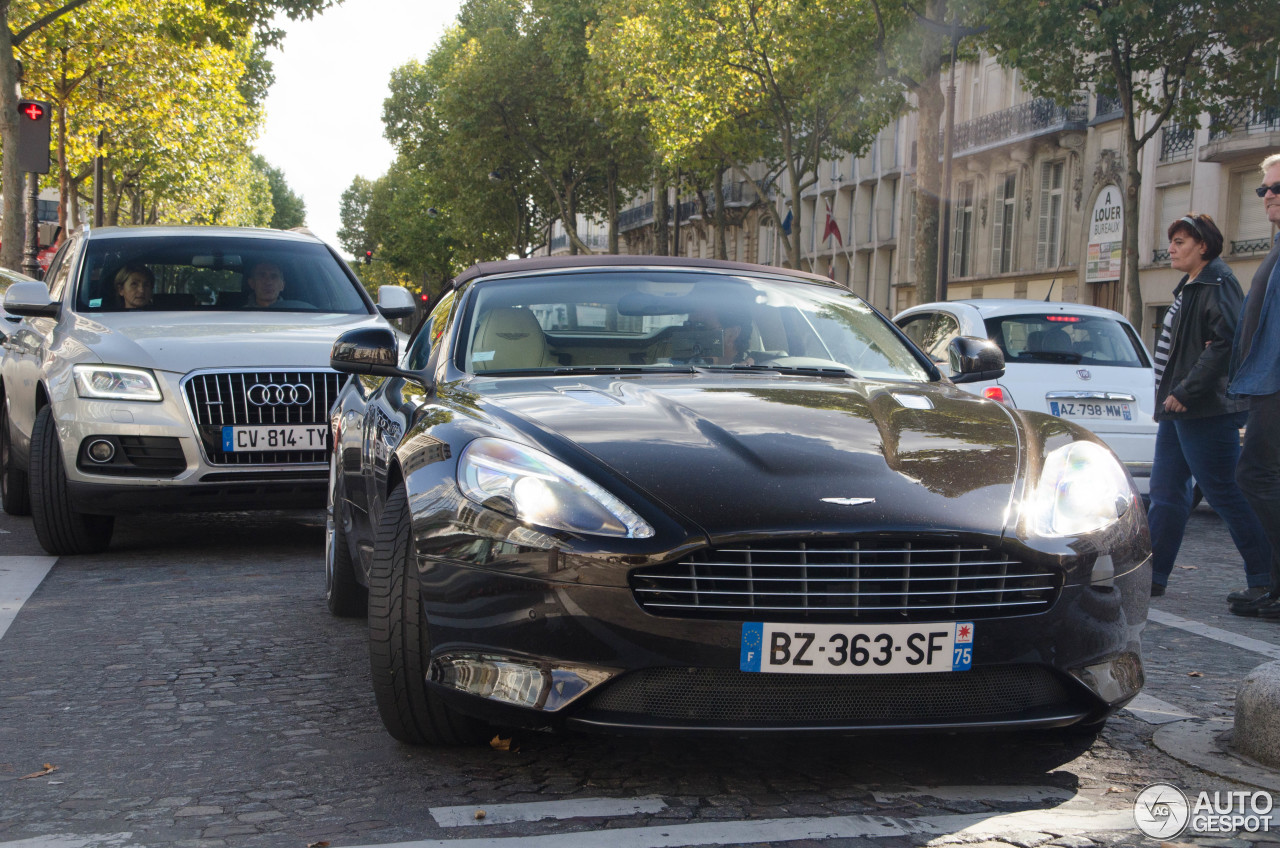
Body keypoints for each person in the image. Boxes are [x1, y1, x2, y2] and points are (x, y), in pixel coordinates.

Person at [1147, 212, 1273, 608]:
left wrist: (1187, 390)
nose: (1171, 249)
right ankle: (1150, 577)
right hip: (1177, 408)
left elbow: (1226, 342)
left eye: (1180, 242)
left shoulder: (1217, 281)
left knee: (1226, 493)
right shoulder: (1192, 283)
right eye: (1172, 242)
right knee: (1165, 493)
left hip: (1203, 407)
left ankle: (1266, 577)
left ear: (1203, 245)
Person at [1227, 153, 1280, 619]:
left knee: (1253, 476)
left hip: (1275, 383)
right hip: (1266, 381)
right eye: (1263, 189)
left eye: (1275, 188)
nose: (1267, 196)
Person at [243, 261, 309, 309]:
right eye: (262, 276)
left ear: (282, 285)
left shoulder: (296, 313)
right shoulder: (241, 315)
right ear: (252, 283)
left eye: (274, 276)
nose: (268, 282)